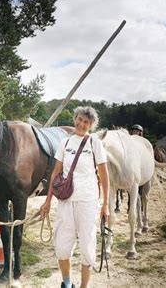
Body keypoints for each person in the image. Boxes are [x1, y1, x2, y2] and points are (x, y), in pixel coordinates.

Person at [40, 106, 110, 288]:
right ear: (75, 119)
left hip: (88, 200)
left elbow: (104, 175)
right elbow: (56, 172)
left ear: (91, 125)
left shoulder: (95, 144)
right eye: (79, 119)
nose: (82, 124)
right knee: (62, 245)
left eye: (86, 122)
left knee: (87, 245)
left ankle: (84, 286)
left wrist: (105, 205)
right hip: (65, 200)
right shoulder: (65, 143)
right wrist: (47, 201)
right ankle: (67, 283)